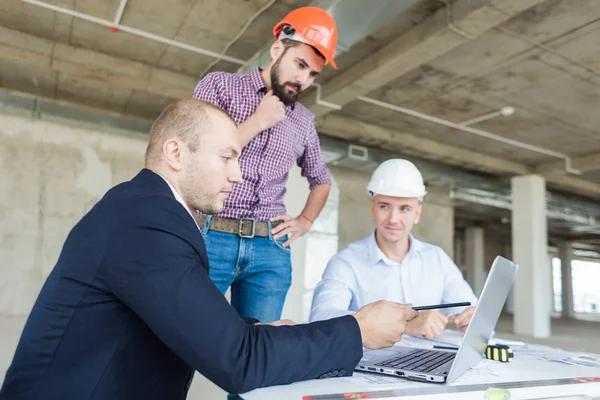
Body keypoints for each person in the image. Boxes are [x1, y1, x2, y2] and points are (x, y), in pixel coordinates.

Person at [0, 100, 419, 400]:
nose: (237, 175)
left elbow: (187, 319)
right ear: (176, 153)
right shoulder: (146, 220)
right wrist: (358, 330)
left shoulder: (146, 211)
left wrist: (255, 330)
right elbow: (239, 362)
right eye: (227, 157)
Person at [191, 6, 338, 323]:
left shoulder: (303, 121)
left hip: (269, 251)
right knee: (182, 341)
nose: (303, 80)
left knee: (259, 353)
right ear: (276, 49)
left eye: (313, 74)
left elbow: (321, 180)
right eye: (299, 65)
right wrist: (259, 121)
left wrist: (305, 221)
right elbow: (199, 155)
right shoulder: (221, 87)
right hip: (210, 236)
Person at [309, 159, 478, 339]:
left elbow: (473, 313)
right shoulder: (345, 262)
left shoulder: (436, 258)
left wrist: (473, 320)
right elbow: (321, 320)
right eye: (384, 206)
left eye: (404, 209)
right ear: (373, 208)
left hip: (431, 359)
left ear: (417, 214)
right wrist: (402, 324)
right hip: (369, 363)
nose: (393, 219)